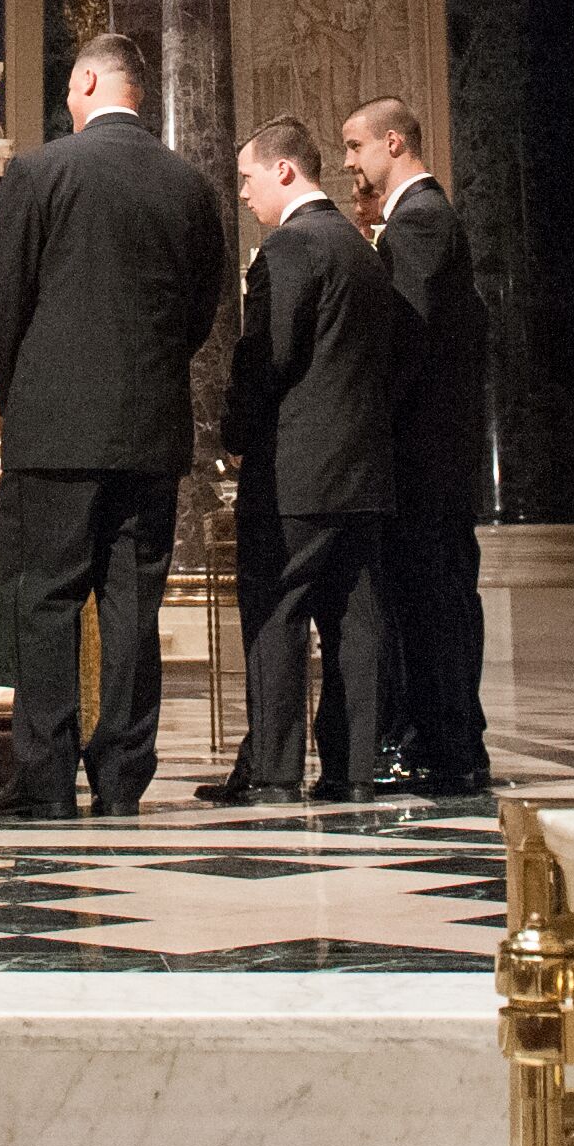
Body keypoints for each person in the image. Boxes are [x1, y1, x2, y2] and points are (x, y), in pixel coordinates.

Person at [0, 33, 232, 821]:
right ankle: (122, 773)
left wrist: (26, 396)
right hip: (149, 431)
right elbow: (202, 309)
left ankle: (44, 779)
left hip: (53, 431)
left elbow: (3, 300)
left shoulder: (39, 170)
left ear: (86, 78)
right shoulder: (189, 184)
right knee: (132, 606)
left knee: (46, 598)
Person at [202, 116, 400, 806]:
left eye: (249, 178)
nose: (246, 193)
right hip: (364, 473)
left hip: (295, 477)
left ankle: (275, 770)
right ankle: (350, 769)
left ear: (285, 170)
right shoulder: (361, 247)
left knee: (277, 616)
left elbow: (267, 356)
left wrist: (235, 429)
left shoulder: (288, 248)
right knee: (354, 624)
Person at [342, 96, 492, 797]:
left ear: (393, 142)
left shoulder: (422, 220)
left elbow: (405, 340)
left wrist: (360, 416)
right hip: (433, 454)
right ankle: (446, 741)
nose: (348, 161)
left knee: (430, 602)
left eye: (355, 146)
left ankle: (443, 746)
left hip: (422, 456)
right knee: (434, 599)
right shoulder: (418, 220)